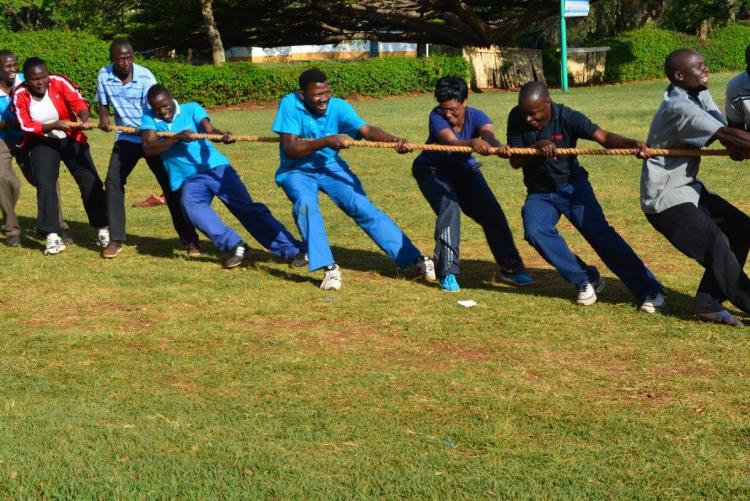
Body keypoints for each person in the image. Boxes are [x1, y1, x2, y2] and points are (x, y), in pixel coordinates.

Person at [505, 81, 665, 311]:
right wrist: (537, 147)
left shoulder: (567, 117)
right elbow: (515, 160)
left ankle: (651, 289)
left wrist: (634, 144)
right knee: (535, 230)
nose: (529, 120)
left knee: (599, 234)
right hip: (539, 193)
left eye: (533, 114)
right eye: (525, 114)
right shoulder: (516, 117)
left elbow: (603, 137)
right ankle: (585, 279)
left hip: (572, 186)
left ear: (547, 103)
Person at [272, 68, 436, 291]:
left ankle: (413, 260)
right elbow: (290, 148)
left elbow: (366, 129)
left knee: (362, 207)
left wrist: (393, 140)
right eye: (317, 95)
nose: (324, 99)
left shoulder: (337, 106)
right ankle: (328, 267)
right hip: (296, 171)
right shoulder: (291, 104)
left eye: (327, 93)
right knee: (306, 206)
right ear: (303, 95)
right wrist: (325, 141)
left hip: (330, 166)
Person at [141, 84, 306, 269]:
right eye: (157, 108)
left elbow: (210, 130)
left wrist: (223, 135)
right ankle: (235, 246)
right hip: (189, 179)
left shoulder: (191, 108)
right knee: (190, 205)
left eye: (165, 106)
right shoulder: (149, 118)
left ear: (172, 97)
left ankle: (294, 250)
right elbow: (148, 148)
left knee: (245, 209)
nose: (163, 112)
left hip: (215, 168)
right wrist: (176, 138)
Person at [643, 49, 750, 326]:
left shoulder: (699, 92)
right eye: (699, 67)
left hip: (688, 188)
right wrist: (735, 142)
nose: (706, 70)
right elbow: (726, 135)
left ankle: (707, 304)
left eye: (705, 65)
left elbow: (723, 133)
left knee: (741, 228)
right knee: (716, 243)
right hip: (664, 198)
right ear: (679, 76)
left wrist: (737, 145)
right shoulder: (679, 107)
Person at [411, 76, 531, 292]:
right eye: (444, 108)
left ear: (465, 101)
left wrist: (498, 148)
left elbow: (488, 135)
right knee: (450, 208)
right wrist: (473, 143)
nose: (448, 114)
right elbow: (452, 142)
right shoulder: (436, 117)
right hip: (432, 170)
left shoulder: (478, 116)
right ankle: (447, 272)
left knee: (492, 212)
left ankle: (511, 268)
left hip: (464, 171)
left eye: (453, 109)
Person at [97, 39, 200, 259]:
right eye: (120, 58)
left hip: (151, 137)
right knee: (113, 181)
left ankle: (190, 240)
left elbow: (155, 109)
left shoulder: (145, 76)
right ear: (112, 59)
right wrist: (104, 118)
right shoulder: (104, 75)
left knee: (171, 187)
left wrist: (148, 134)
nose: (126, 62)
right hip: (126, 138)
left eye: (129, 57)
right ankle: (116, 239)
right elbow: (102, 103)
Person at [12, 57, 108, 255]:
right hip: (41, 141)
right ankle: (51, 235)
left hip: (70, 137)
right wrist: (53, 125)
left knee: (90, 180)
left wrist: (82, 117)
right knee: (46, 186)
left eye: (43, 77)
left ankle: (103, 228)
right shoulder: (19, 94)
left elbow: (78, 101)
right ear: (26, 80)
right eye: (35, 79)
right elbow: (25, 124)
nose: (41, 82)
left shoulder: (58, 81)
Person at [0, 51, 72, 248]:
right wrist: (8, 123)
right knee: (3, 179)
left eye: (15, 65)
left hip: (31, 137)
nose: (13, 69)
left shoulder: (27, 79)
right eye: (8, 66)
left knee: (46, 177)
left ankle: (57, 225)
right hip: (3, 140)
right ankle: (11, 228)